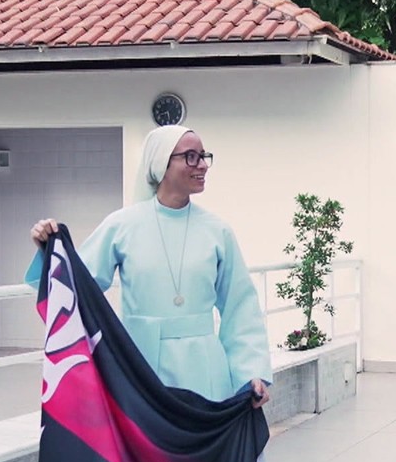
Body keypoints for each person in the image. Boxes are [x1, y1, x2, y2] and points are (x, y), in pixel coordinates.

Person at [27, 125, 271, 408]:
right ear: (161, 164)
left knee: (203, 450)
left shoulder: (218, 231)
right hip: (139, 367)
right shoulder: (122, 226)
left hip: (204, 368)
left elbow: (240, 307)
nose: (203, 165)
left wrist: (251, 373)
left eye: (204, 156)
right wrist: (49, 250)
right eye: (191, 156)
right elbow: (78, 286)